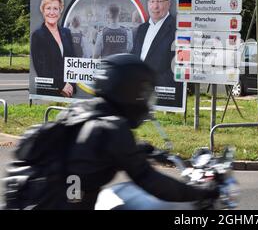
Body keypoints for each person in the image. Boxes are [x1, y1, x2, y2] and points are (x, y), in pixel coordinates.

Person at [43, 53, 219, 209]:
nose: (145, 100)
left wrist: (139, 149)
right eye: (144, 92)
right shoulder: (114, 128)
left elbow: (88, 150)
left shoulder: (79, 111)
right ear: (130, 91)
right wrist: (201, 192)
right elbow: (151, 181)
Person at [131, 0, 181, 108]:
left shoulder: (177, 29)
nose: (155, 6)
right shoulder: (142, 29)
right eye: (152, 1)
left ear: (169, 3)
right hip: (136, 95)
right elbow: (133, 57)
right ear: (148, 3)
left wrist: (149, 83)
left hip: (162, 98)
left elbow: (176, 69)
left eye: (159, 1)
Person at [31, 0, 76, 97]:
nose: (52, 12)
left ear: (60, 11)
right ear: (43, 10)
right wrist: (61, 86)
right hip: (48, 92)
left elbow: (73, 62)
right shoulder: (38, 35)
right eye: (48, 8)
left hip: (68, 93)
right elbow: (41, 69)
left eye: (55, 8)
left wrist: (70, 84)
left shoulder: (67, 32)